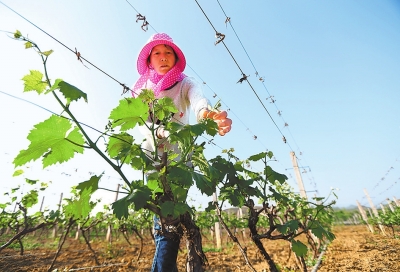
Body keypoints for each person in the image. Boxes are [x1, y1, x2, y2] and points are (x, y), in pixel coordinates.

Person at [131, 33, 232, 272]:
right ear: (149, 59)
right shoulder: (143, 90)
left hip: (179, 161)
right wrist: (160, 132)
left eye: (168, 52)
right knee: (164, 221)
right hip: (153, 159)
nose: (163, 57)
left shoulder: (186, 83)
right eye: (157, 53)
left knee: (170, 221)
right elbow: (142, 121)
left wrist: (206, 115)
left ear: (176, 58)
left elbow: (198, 101)